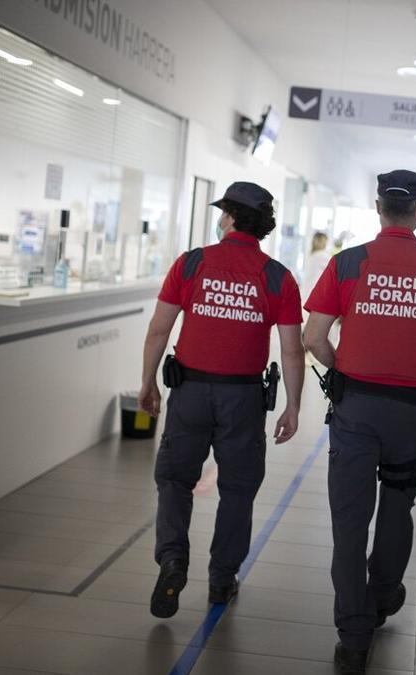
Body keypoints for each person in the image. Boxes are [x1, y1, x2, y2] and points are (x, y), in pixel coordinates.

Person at [303, 169, 416, 674]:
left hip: (356, 410)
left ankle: (354, 638)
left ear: (378, 207)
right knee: (397, 507)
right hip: (412, 413)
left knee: (348, 523)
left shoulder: (348, 263)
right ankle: (383, 593)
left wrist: (345, 369)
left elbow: (313, 337)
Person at [138, 181, 305, 618]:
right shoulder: (278, 277)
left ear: (229, 217)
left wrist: (148, 381)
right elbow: (291, 349)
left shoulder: (192, 262)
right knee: (237, 489)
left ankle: (173, 559)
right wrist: (293, 404)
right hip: (244, 399)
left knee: (175, 479)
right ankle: (220, 579)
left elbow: (159, 329)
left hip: (190, 392)